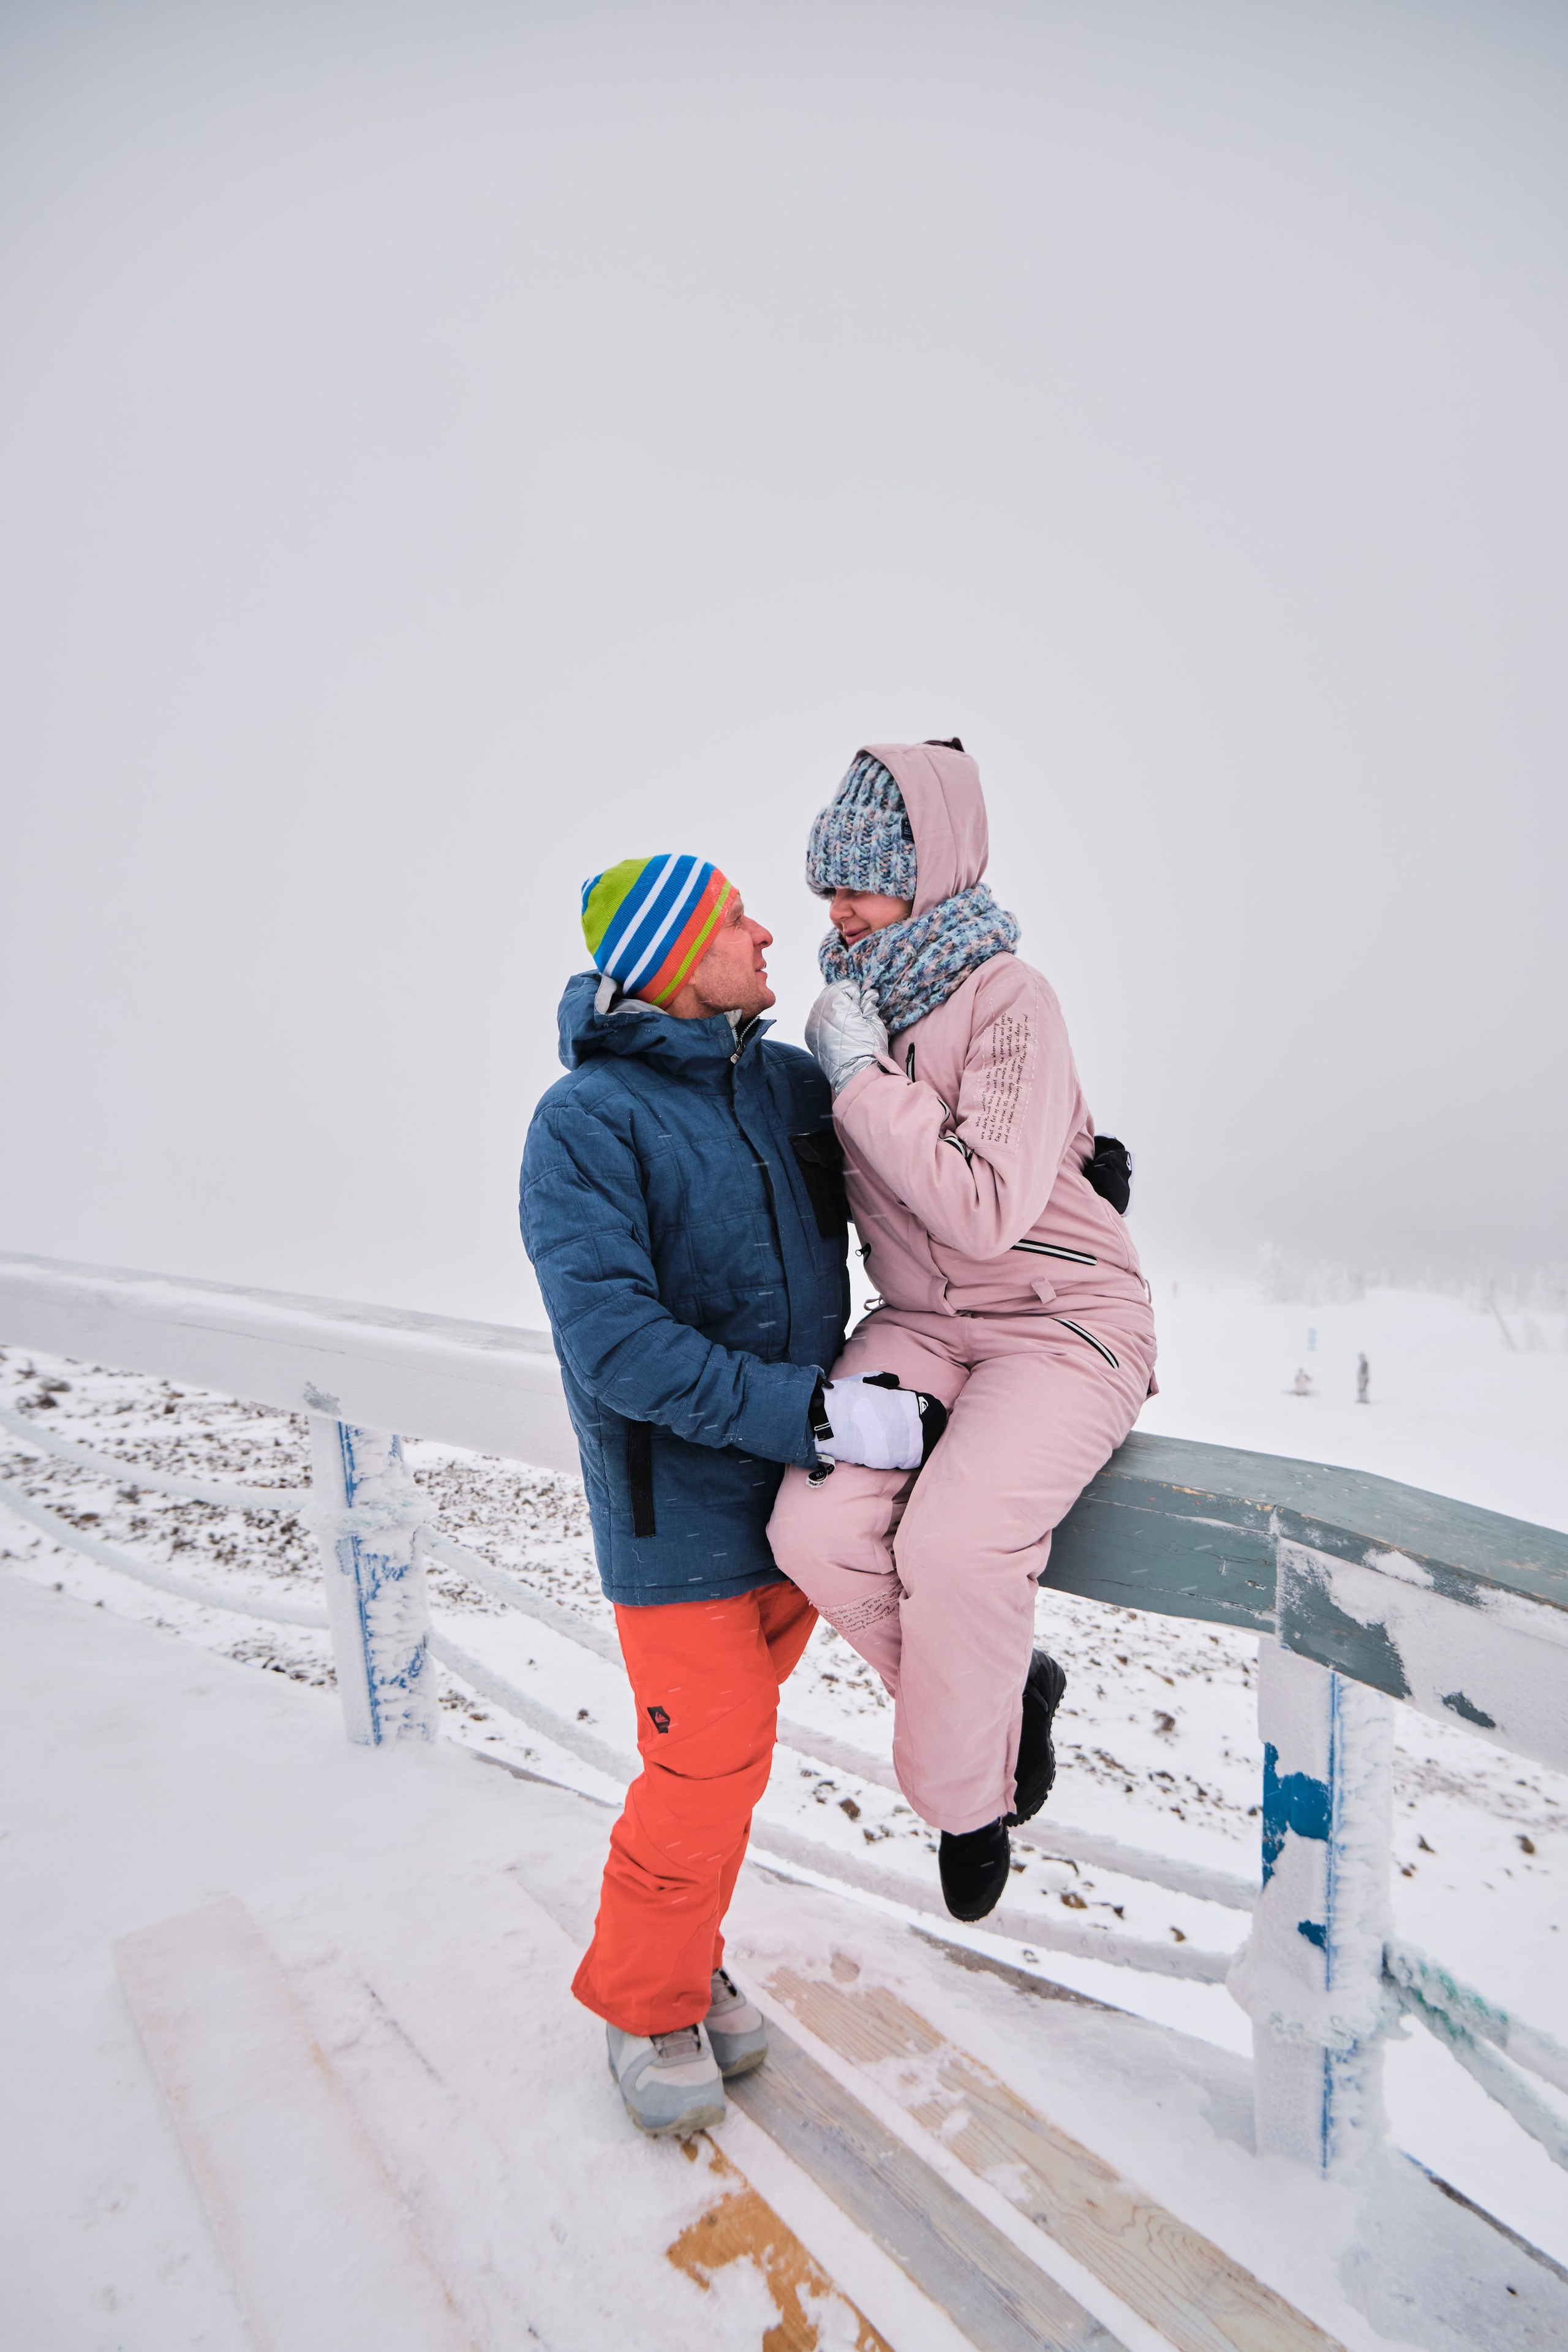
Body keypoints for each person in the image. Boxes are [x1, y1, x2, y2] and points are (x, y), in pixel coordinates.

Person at [519, 853, 940, 2138]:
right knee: (700, 1768)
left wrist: (1061, 1188)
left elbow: (918, 1190)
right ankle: (644, 1998)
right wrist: (817, 1415)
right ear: (670, 956)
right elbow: (618, 1348)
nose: (765, 933)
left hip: (798, 1515)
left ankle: (686, 1958)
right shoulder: (585, 1122)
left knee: (726, 1772)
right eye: (734, 918)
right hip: (681, 1523)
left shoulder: (789, 1085)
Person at [769, 742, 1158, 1925]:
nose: (839, 907)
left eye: (863, 880)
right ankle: (1002, 1694)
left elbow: (986, 1210)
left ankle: (968, 1804)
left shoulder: (1008, 996)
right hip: (923, 1322)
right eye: (828, 883)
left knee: (951, 1546)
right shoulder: (857, 1006)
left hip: (1060, 1326)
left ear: (928, 873)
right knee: (811, 1527)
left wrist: (857, 1079)